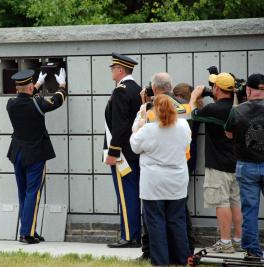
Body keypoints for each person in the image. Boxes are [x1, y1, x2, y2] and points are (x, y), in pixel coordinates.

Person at [136, 74, 195, 259]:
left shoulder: (148, 125)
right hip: (178, 177)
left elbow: (134, 145)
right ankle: (181, 258)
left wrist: (141, 117)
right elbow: (187, 143)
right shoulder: (184, 122)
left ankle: (161, 260)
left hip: (153, 182)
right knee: (177, 221)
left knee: (155, 222)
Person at [7, 68, 67, 244]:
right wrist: (62, 85)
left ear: (18, 87)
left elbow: (26, 97)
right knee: (33, 193)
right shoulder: (38, 104)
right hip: (34, 156)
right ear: (31, 87)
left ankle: (27, 230)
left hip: (17, 154)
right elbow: (57, 100)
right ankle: (27, 234)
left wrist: (37, 84)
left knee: (23, 194)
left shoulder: (10, 104)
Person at [189, 72, 242, 253]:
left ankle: (225, 242)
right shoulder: (238, 107)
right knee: (235, 202)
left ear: (217, 89)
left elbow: (192, 115)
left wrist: (194, 97)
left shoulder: (214, 109)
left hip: (218, 164)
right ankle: (237, 240)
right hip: (236, 163)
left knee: (222, 203)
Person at [103, 52, 142, 248]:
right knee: (133, 192)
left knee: (126, 195)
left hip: (123, 154)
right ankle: (133, 233)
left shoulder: (121, 91)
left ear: (120, 70)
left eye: (113, 68)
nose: (111, 71)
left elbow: (120, 125)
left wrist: (112, 152)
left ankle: (129, 236)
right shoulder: (138, 89)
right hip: (135, 150)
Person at [224, 73, 264, 259]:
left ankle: (253, 252)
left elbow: (229, 134)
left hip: (246, 166)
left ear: (248, 89)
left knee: (249, 210)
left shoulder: (237, 110)